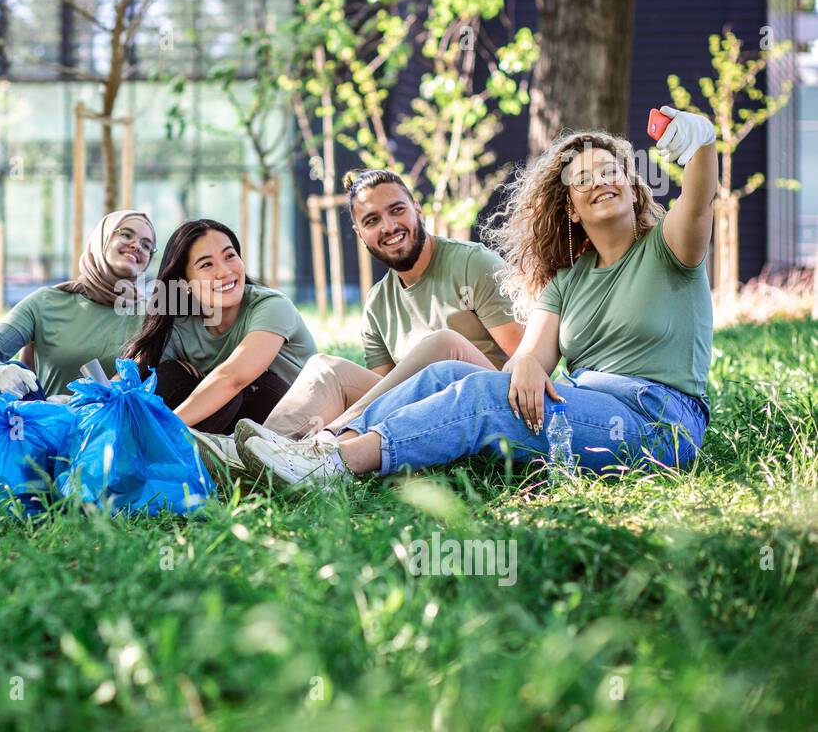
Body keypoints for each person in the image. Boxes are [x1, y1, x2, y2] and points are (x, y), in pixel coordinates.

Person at [240, 107, 717, 487]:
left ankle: (338, 465)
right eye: (584, 179)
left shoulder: (670, 248)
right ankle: (320, 447)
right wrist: (528, 362)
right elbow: (531, 353)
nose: (600, 182)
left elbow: (698, 196)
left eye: (610, 171)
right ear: (570, 208)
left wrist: (701, 140)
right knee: (445, 372)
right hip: (586, 405)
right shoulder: (568, 280)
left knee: (483, 394)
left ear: (634, 189)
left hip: (658, 423)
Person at [239, 168, 523, 449]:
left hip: (493, 413)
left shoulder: (474, 263)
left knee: (443, 344)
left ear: (417, 210)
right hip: (426, 417)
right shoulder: (378, 302)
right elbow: (384, 393)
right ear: (359, 233)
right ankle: (258, 452)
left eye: (397, 210)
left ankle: (336, 434)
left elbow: (527, 363)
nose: (388, 227)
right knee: (325, 369)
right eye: (372, 220)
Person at [123, 219, 316, 463]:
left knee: (240, 385)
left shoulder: (272, 306)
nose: (225, 271)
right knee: (166, 374)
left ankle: (158, 456)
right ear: (185, 284)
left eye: (230, 256)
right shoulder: (182, 319)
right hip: (228, 424)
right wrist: (96, 404)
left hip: (296, 429)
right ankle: (134, 450)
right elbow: (135, 374)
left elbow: (233, 378)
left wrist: (163, 430)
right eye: (206, 264)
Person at [0, 210, 156, 398]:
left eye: (146, 245)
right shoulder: (46, 302)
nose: (136, 246)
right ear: (102, 238)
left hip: (116, 426)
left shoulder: (151, 317)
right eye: (126, 234)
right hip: (47, 425)